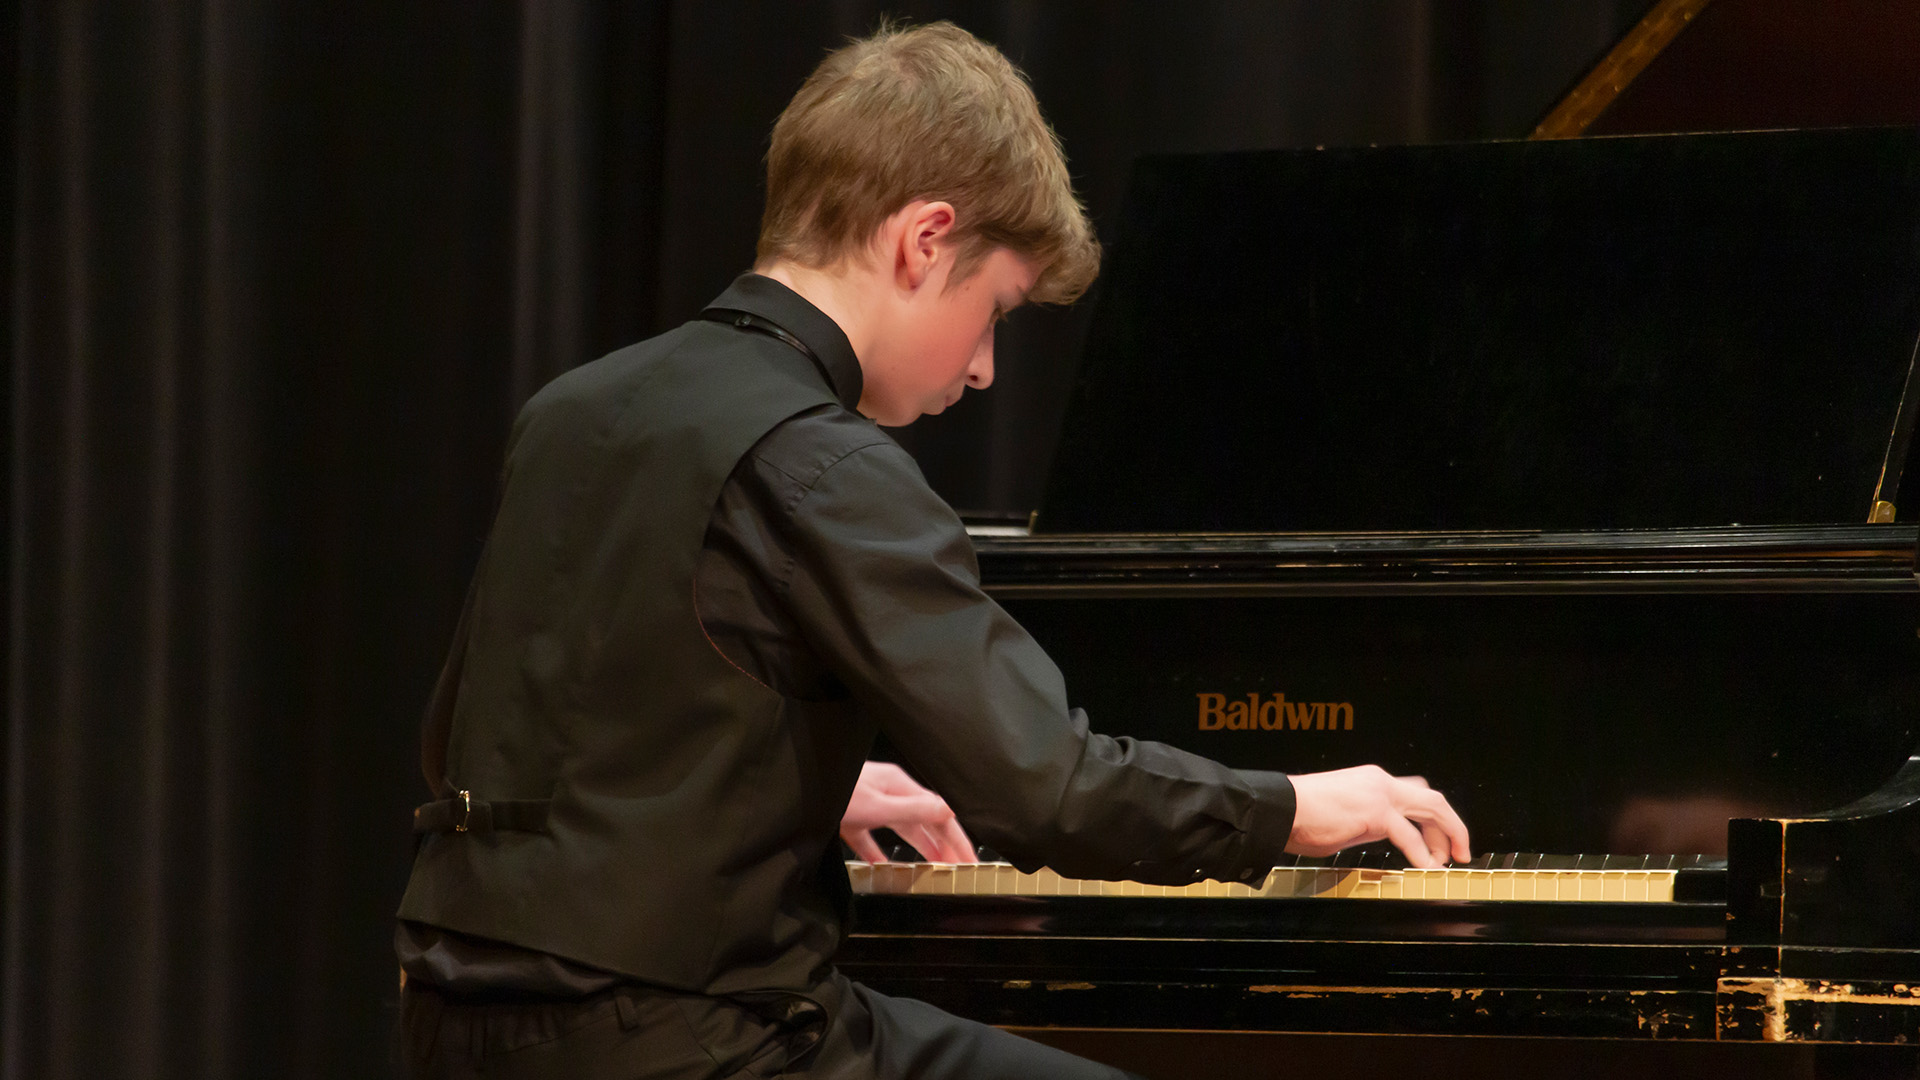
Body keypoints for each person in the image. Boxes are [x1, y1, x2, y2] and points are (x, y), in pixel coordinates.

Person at [394, 20, 1469, 1080]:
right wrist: (1288, 808)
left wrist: (788, 778)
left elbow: (503, 741)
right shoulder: (824, 463)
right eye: (995, 309)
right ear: (923, 240)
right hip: (696, 1037)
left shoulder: (571, 411)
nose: (988, 368)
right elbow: (1047, 791)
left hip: (456, 1021)